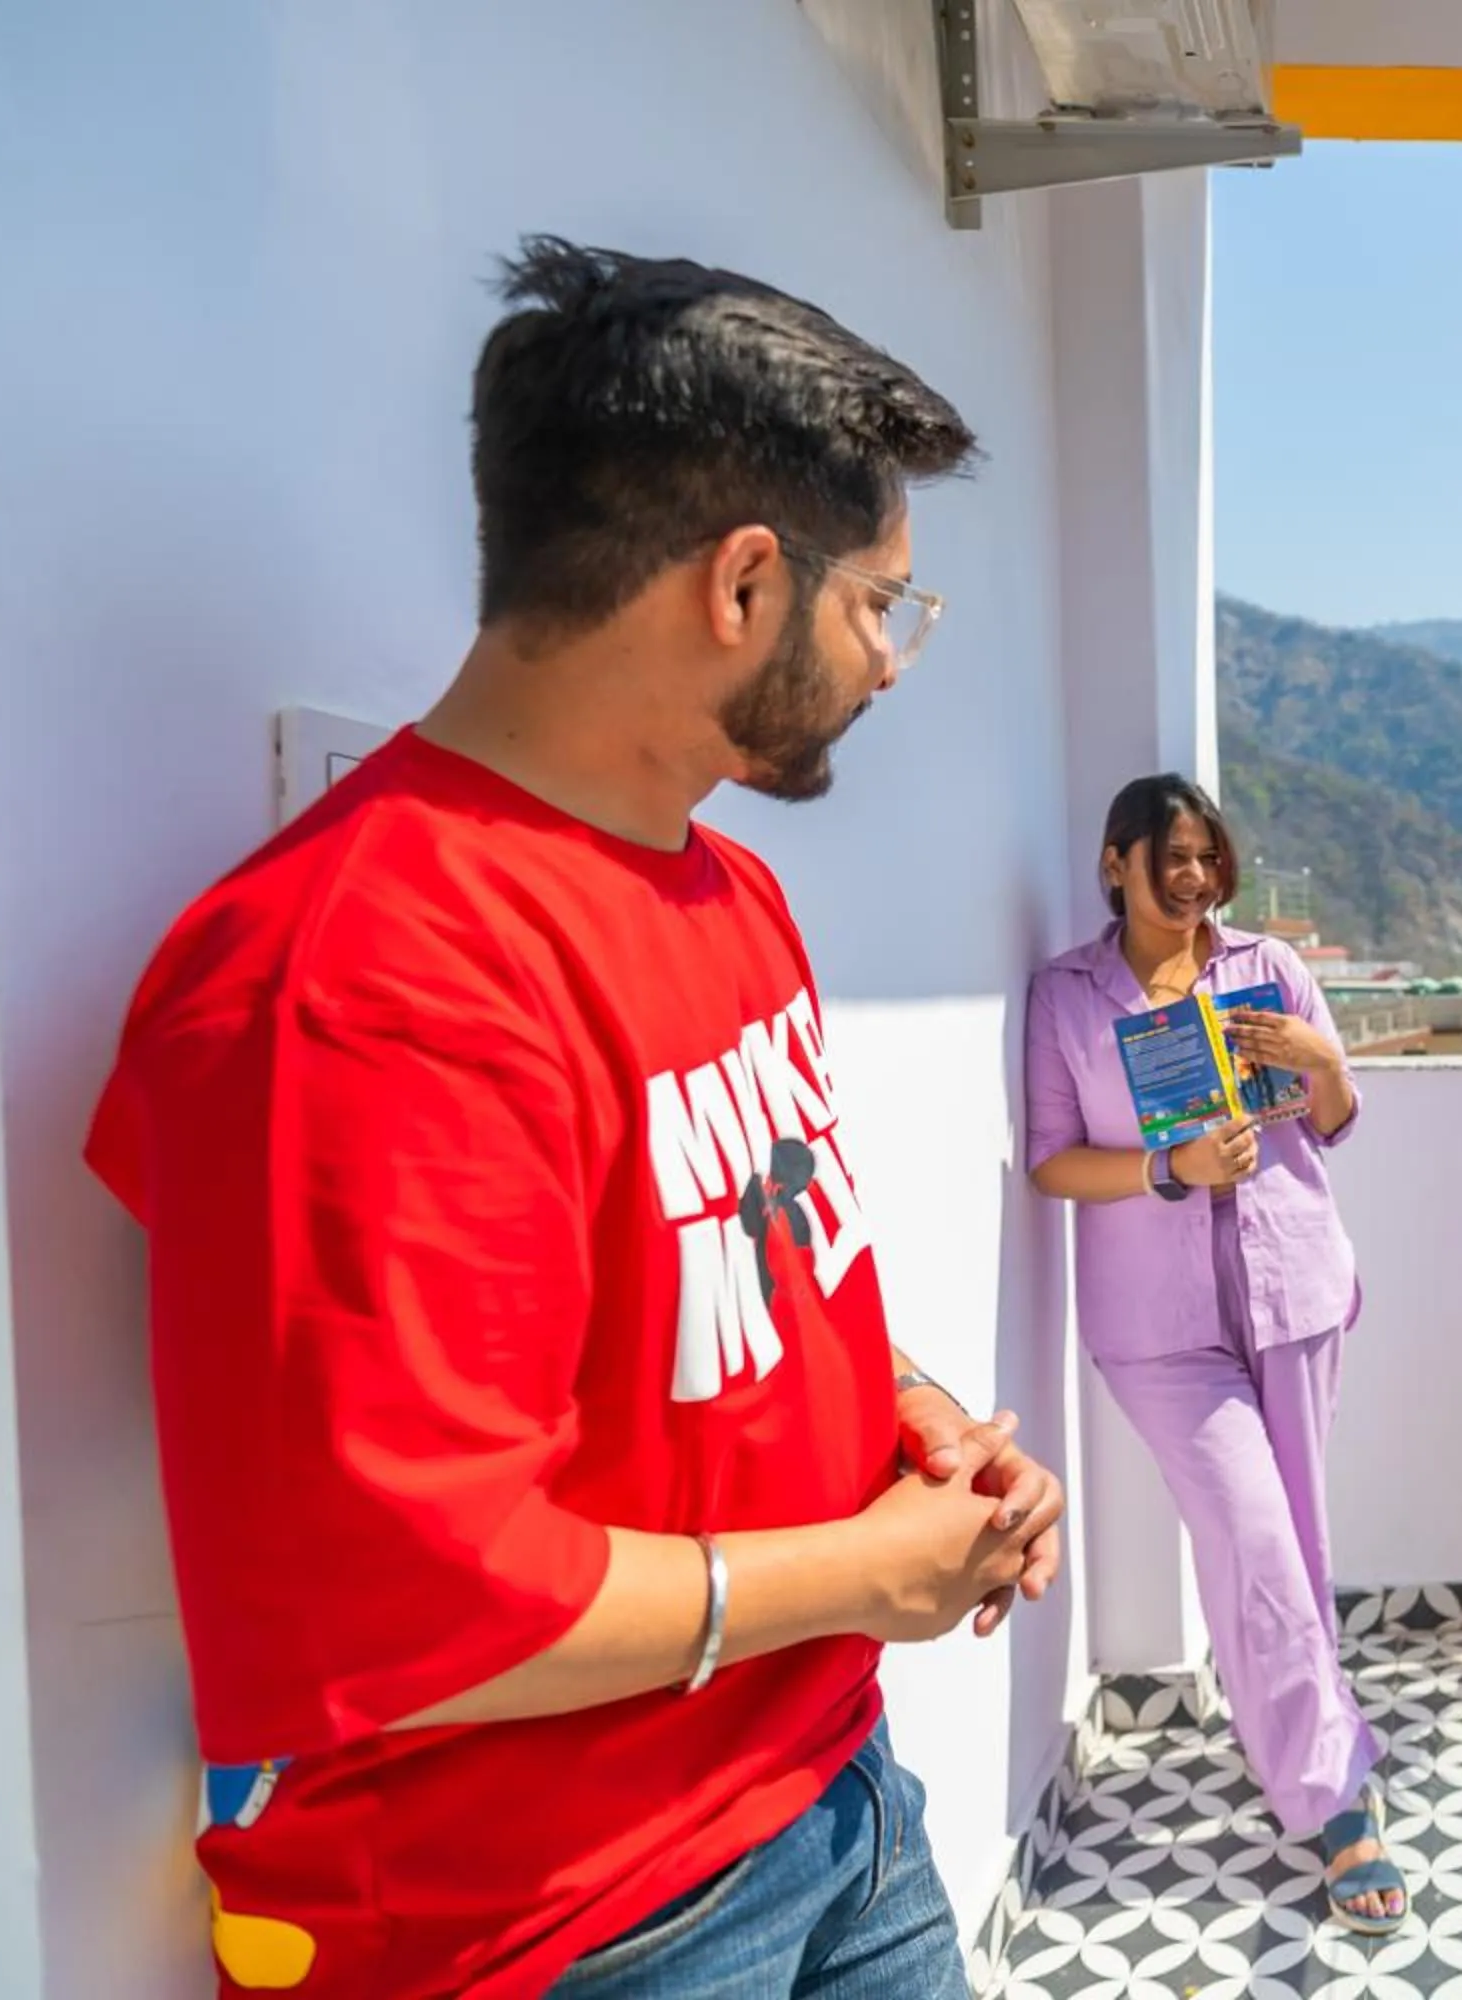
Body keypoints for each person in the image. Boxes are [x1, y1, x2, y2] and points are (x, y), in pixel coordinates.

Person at [86, 237, 1063, 1999]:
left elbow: (740, 1303)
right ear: (742, 585)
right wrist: (861, 1572)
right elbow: (412, 1611)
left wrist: (915, 1430)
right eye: (882, 606)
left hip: (826, 1799)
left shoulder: (725, 897)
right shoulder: (353, 977)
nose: (895, 664)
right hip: (551, 1928)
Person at [1022, 776, 1406, 1934]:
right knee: (1250, 1533)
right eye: (1171, 856)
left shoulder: (1270, 971)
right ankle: (1337, 1802)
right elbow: (1050, 1158)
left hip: (1293, 1289)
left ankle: (1303, 1739)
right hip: (1158, 1327)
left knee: (1291, 1541)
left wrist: (1320, 1060)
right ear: (1114, 862)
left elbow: (1335, 1117)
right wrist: (1164, 1168)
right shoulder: (1065, 996)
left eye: (1208, 857)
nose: (1193, 878)